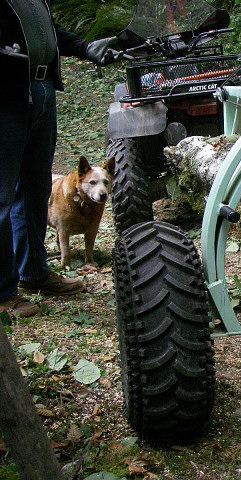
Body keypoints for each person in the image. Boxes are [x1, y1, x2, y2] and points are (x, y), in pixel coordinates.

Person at [0, 0, 123, 317]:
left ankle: (33, 273)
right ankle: (2, 292)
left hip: (41, 89)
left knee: (34, 190)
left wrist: (85, 47)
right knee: (1, 195)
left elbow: (46, 30)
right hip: (6, 94)